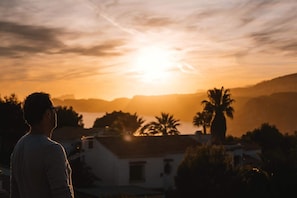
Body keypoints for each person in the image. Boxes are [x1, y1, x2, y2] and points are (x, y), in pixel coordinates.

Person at [10, 92, 74, 198]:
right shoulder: (52, 149)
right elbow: (62, 193)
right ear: (48, 114)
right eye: (54, 109)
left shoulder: (19, 147)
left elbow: (14, 193)